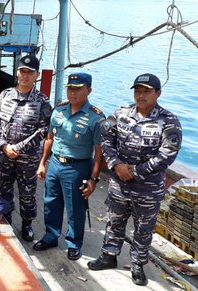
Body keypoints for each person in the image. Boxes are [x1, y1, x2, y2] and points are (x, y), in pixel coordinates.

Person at [88, 73, 182, 286]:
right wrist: (116, 165)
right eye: (138, 90)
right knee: (114, 221)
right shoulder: (121, 113)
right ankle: (109, 255)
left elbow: (167, 154)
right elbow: (106, 139)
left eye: (146, 91)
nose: (141, 95)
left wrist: (135, 172)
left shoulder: (169, 121)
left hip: (148, 189)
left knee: (143, 228)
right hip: (119, 185)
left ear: (158, 93)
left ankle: (138, 264)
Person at [34, 72, 105, 261]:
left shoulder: (96, 117)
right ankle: (51, 236)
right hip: (55, 164)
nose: (72, 93)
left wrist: (94, 179)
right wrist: (43, 163)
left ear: (88, 90)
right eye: (69, 88)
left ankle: (74, 243)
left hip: (78, 167)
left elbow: (99, 152)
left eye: (77, 89)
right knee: (50, 202)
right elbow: (50, 139)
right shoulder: (58, 110)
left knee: (75, 207)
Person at [0, 54, 52, 241]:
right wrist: (3, 145)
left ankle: (27, 224)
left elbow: (43, 129)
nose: (25, 76)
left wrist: (19, 147)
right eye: (22, 72)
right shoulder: (5, 95)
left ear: (36, 75)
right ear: (17, 73)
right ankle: (6, 219)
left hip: (28, 158)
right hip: (5, 154)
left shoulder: (42, 100)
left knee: (27, 193)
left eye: (29, 73)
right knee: (5, 189)